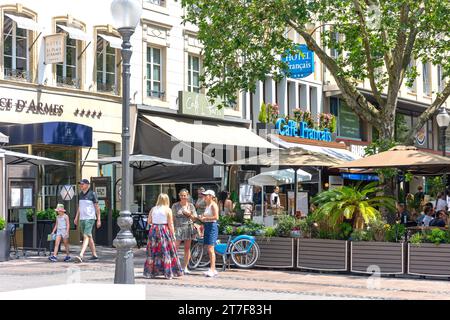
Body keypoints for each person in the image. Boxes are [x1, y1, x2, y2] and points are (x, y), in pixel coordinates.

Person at [144, 193, 183, 279]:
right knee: (166, 251)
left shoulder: (153, 209)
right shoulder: (168, 210)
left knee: (153, 251)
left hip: (154, 229)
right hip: (164, 229)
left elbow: (149, 221)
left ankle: (150, 273)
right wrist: (173, 234)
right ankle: (168, 273)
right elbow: (170, 223)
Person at [74, 179, 101, 263]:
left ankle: (81, 255)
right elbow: (79, 207)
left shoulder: (92, 194)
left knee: (85, 236)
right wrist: (76, 217)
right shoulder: (80, 194)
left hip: (90, 218)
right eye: (80, 184)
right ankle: (94, 255)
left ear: (88, 185)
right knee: (89, 237)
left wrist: (98, 219)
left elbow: (97, 207)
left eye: (83, 184)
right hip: (82, 218)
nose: (81, 185)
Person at [172, 189, 197, 274]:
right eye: (181, 195)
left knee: (187, 248)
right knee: (175, 248)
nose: (183, 197)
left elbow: (195, 218)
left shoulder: (191, 206)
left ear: (187, 196)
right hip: (178, 228)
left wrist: (189, 214)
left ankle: (185, 267)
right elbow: (172, 218)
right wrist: (172, 228)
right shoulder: (175, 206)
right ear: (179, 196)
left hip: (188, 227)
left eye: (184, 195)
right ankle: (173, 266)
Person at [198, 190, 219, 277]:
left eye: (206, 195)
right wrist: (202, 217)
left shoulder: (213, 205)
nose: (204, 196)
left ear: (211, 196)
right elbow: (207, 215)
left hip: (212, 227)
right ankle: (212, 269)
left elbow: (216, 217)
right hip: (208, 226)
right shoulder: (208, 205)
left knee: (211, 249)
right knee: (209, 249)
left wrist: (205, 218)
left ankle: (212, 269)